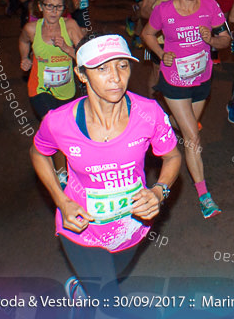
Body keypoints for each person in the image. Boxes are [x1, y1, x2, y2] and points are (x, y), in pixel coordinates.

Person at [31, 33, 181, 302]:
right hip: (81, 229)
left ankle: (84, 287)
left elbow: (172, 157)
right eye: (102, 68)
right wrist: (61, 200)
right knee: (106, 297)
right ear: (81, 74)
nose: (116, 77)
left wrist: (159, 192)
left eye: (122, 65)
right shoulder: (59, 122)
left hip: (132, 225)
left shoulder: (149, 113)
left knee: (114, 274)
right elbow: (38, 152)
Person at [141, 0, 231, 219]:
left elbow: (226, 38)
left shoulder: (211, 7)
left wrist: (212, 40)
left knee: (186, 125)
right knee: (192, 137)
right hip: (174, 81)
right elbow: (147, 33)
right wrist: (161, 54)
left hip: (202, 78)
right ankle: (204, 196)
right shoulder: (164, 10)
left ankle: (168, 120)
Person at [19, 0, 86, 120]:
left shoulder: (70, 26)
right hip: (40, 87)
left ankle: (38, 142)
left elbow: (84, 57)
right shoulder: (31, 29)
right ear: (40, 6)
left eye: (58, 7)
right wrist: (25, 57)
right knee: (50, 122)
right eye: (49, 6)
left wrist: (66, 48)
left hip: (66, 90)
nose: (54, 11)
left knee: (58, 130)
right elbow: (23, 41)